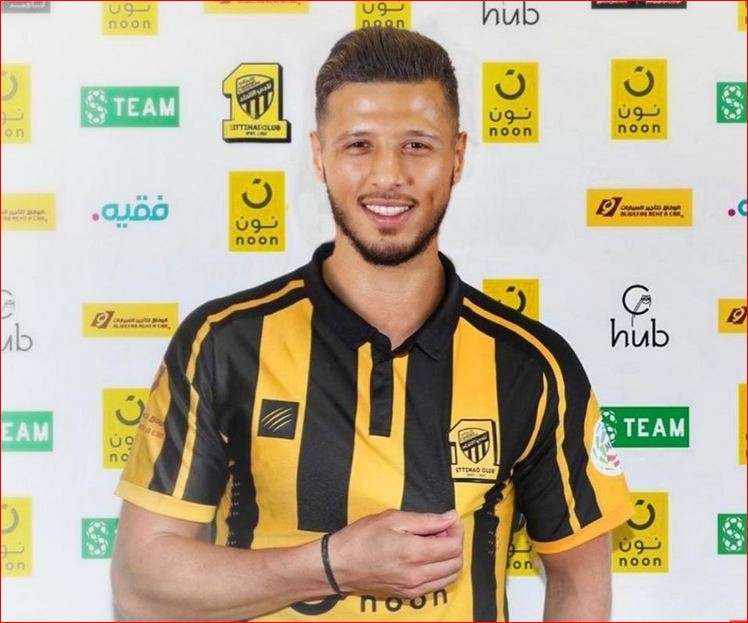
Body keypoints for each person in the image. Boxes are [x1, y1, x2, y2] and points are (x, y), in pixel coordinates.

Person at [111, 26, 634, 622]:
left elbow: (580, 583)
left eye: (417, 145)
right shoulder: (223, 344)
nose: (388, 175)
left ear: (458, 156)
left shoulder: (532, 366)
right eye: (359, 145)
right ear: (318, 155)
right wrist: (331, 565)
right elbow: (140, 587)